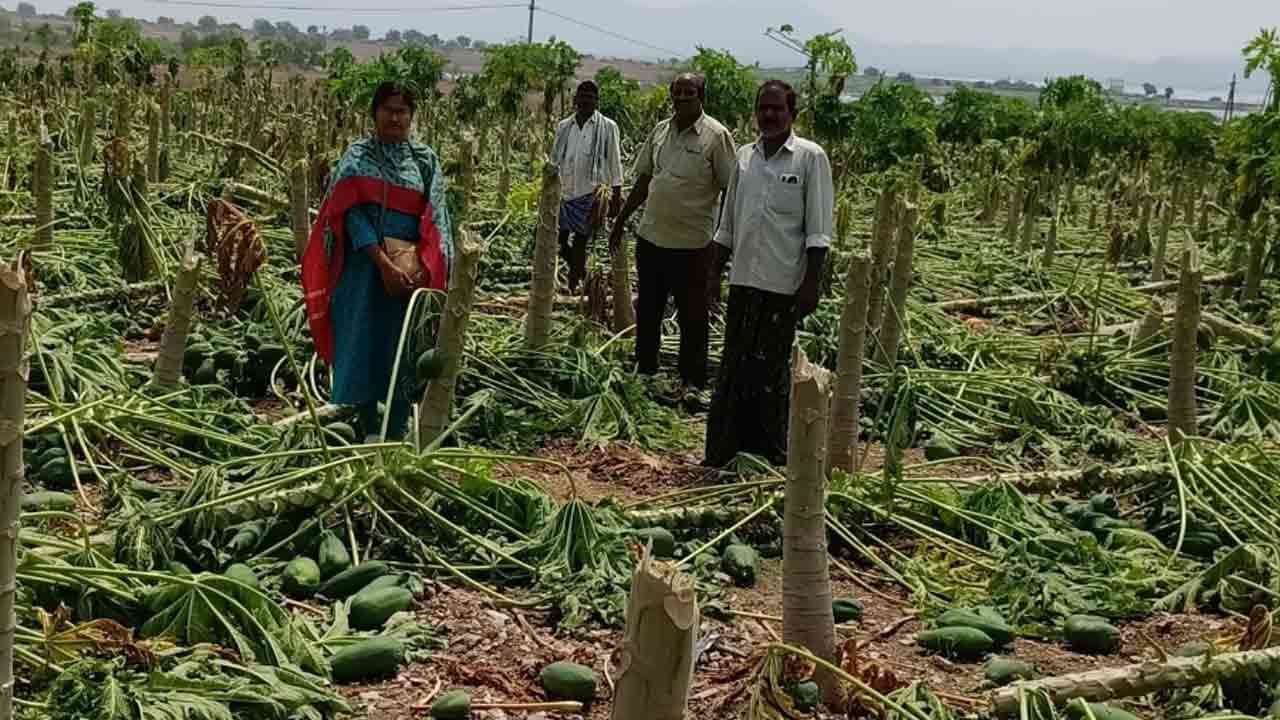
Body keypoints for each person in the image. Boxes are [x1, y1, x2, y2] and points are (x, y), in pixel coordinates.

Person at [302, 81, 453, 442]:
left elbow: (436, 218)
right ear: (374, 114)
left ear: (412, 117)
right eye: (388, 110)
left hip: (409, 270)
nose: (395, 118)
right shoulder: (356, 157)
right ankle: (367, 420)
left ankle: (396, 425)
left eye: (402, 111)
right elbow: (348, 213)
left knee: (401, 346)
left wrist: (423, 263)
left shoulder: (424, 160)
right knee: (361, 339)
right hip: (363, 266)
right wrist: (382, 261)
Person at [704, 80, 833, 467]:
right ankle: (723, 451)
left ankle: (770, 454)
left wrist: (811, 284)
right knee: (734, 366)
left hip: (783, 284)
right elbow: (727, 225)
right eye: (763, 108)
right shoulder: (745, 158)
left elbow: (818, 231)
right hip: (744, 280)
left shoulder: (810, 158)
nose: (769, 115)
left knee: (771, 370)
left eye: (777, 108)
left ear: (793, 113)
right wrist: (714, 275)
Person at [609, 73, 736, 393]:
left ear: (701, 96)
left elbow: (732, 190)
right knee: (648, 309)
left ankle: (691, 380)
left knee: (693, 315)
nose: (681, 97)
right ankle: (645, 370)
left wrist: (725, 241)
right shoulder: (660, 131)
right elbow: (644, 179)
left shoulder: (716, 136)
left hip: (693, 245)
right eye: (677, 92)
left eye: (688, 92)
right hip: (652, 237)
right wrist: (621, 220)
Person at [553, 80, 622, 293]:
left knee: (580, 242)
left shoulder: (608, 127)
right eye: (582, 96)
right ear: (575, 99)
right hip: (564, 192)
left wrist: (616, 195)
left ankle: (574, 285)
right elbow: (554, 159)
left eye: (590, 97)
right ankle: (582, 274)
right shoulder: (564, 127)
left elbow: (614, 161)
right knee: (557, 241)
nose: (585, 101)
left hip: (589, 195)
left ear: (597, 101)